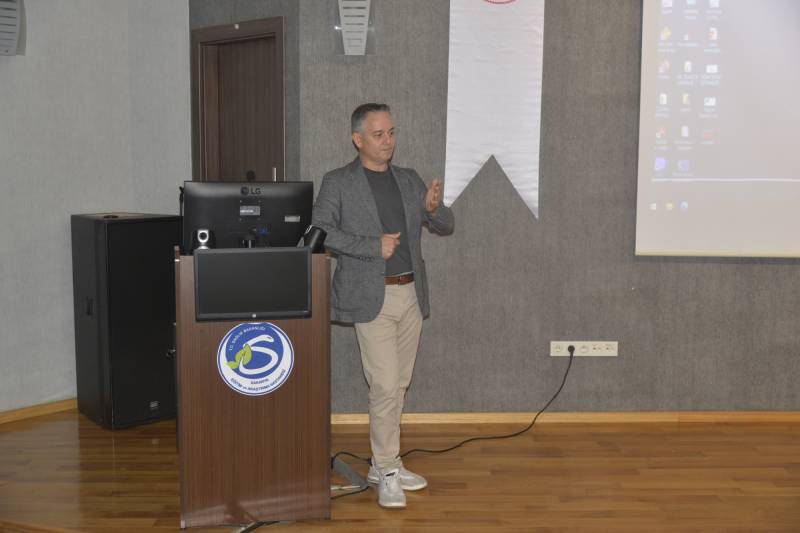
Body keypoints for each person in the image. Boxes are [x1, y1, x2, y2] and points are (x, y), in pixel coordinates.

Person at [311, 103, 455, 508]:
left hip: (411, 293)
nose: (387, 141)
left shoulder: (408, 179)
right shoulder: (338, 181)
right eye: (378, 134)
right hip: (370, 296)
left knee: (399, 383)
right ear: (357, 139)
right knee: (386, 385)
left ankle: (382, 464)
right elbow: (320, 231)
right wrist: (372, 247)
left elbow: (446, 223)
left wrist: (433, 209)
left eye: (391, 132)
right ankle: (388, 469)